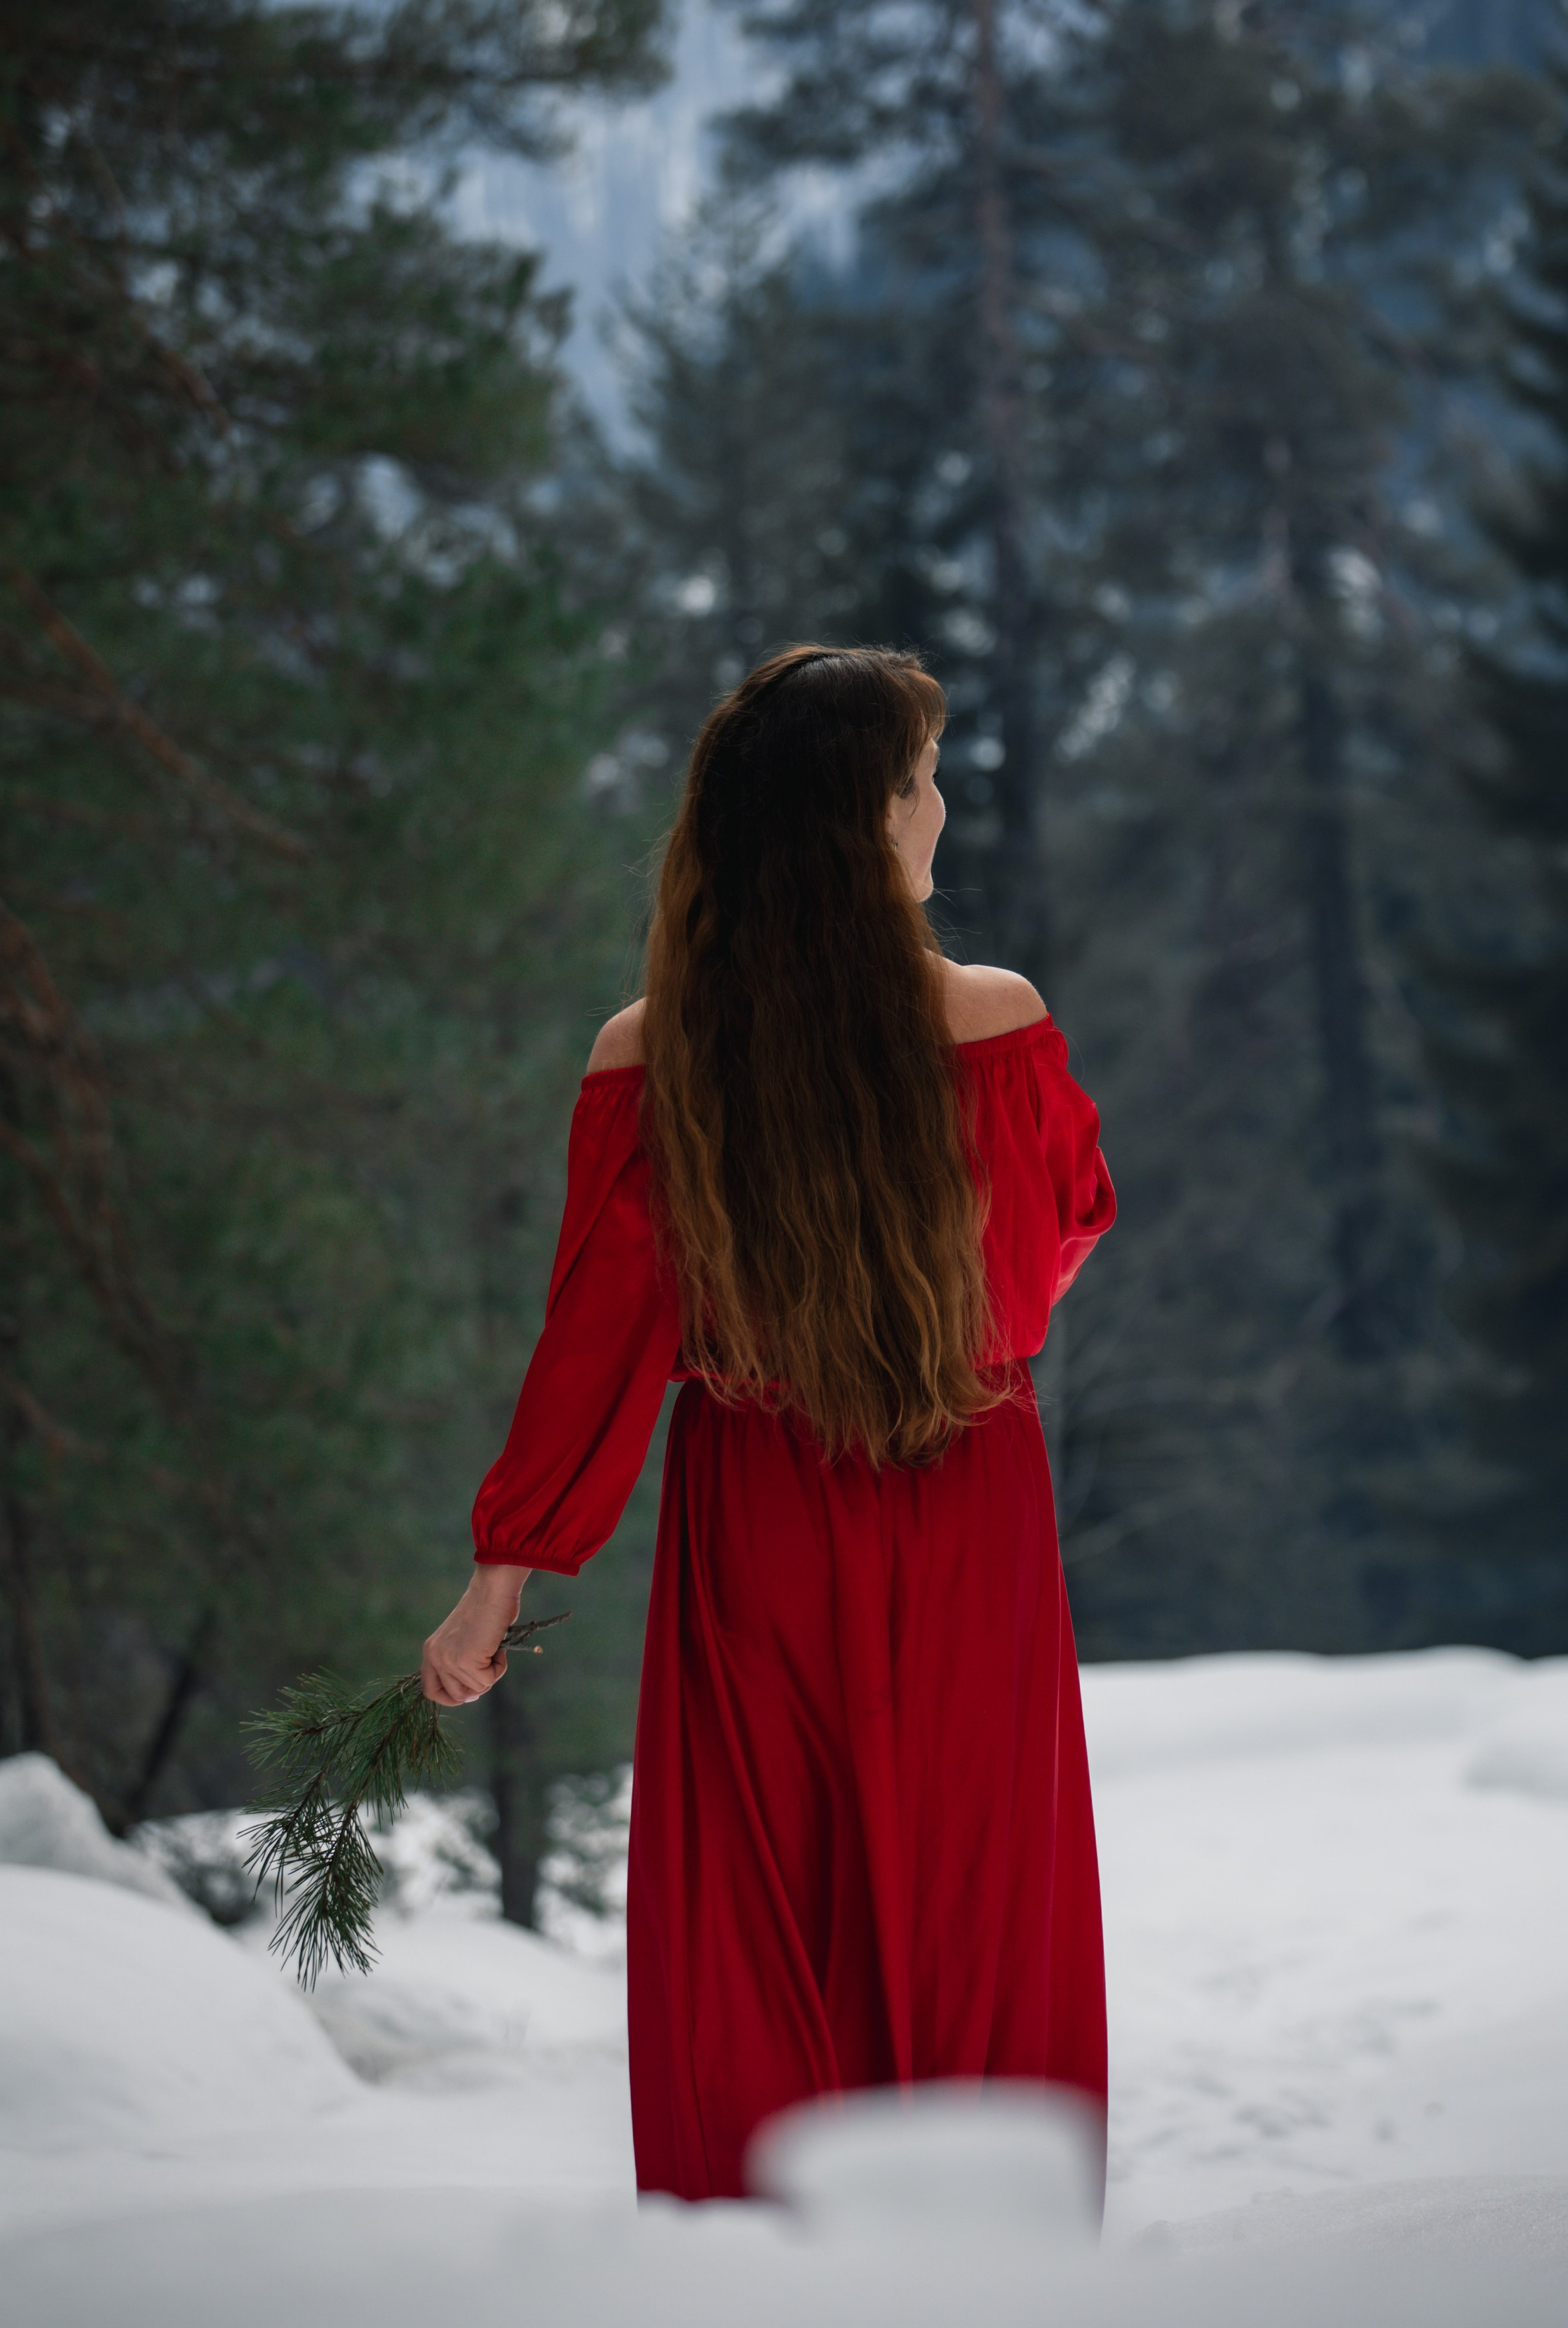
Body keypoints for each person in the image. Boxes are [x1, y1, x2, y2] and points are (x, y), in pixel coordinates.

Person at [421, 644, 1116, 2200]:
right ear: (869, 823)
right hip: (964, 1487)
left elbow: (594, 1349)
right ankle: (987, 2236)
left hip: (758, 1497)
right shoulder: (992, 1019)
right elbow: (1057, 1241)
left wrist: (503, 1573)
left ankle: (761, 2248)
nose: (940, 812)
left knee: (763, 1888)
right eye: (921, 783)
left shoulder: (649, 1052)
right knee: (973, 1877)